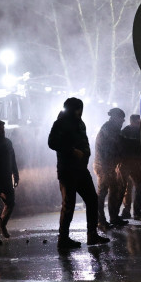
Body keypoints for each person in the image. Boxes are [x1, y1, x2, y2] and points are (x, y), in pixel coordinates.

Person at [47, 97, 110, 249]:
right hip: (68, 170)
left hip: (81, 169)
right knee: (69, 204)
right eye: (78, 108)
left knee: (92, 199)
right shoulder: (60, 123)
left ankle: (92, 235)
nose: (80, 111)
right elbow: (52, 142)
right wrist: (72, 151)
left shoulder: (79, 123)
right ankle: (63, 239)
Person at [94, 108, 130, 231]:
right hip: (103, 165)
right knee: (102, 193)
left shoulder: (112, 129)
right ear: (115, 118)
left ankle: (113, 218)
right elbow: (118, 144)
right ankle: (100, 221)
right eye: (121, 119)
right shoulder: (108, 129)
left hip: (109, 165)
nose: (123, 121)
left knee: (114, 191)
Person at [118, 114, 141, 221]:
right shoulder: (125, 131)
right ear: (132, 122)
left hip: (135, 163)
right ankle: (126, 211)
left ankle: (135, 212)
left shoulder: (138, 131)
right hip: (127, 162)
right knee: (125, 188)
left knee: (138, 186)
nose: (139, 123)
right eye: (137, 122)